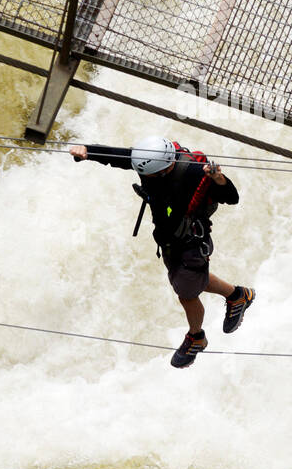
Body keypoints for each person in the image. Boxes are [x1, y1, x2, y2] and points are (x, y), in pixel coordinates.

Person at [69, 136, 255, 368]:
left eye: (147, 175)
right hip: (169, 237)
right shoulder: (149, 161)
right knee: (191, 280)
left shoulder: (194, 173)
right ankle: (237, 295)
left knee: (186, 293)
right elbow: (117, 156)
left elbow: (232, 198)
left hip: (190, 243)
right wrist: (87, 151)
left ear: (165, 170)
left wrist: (218, 179)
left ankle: (196, 337)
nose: (143, 177)